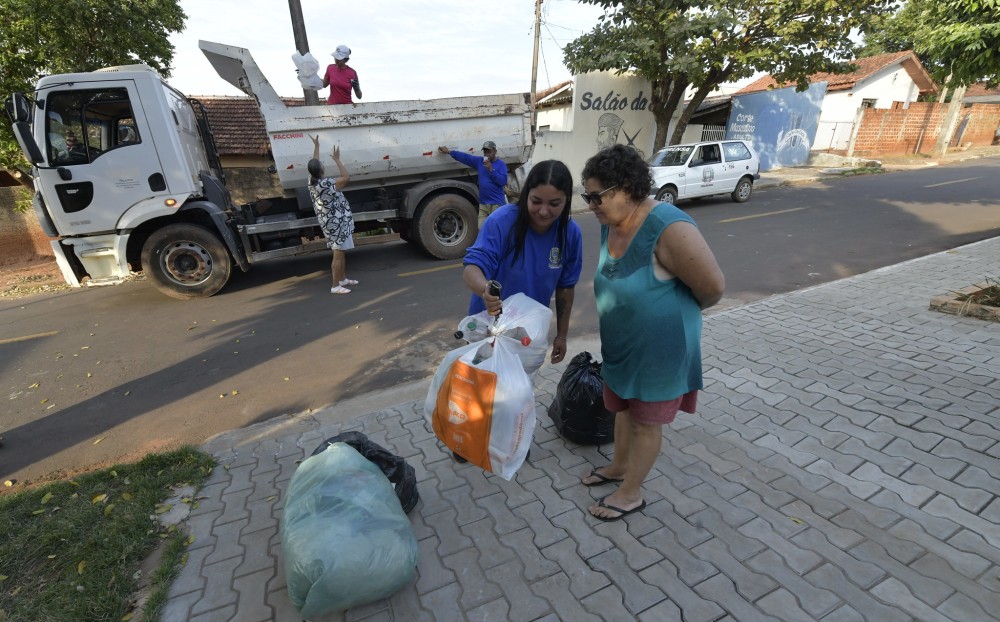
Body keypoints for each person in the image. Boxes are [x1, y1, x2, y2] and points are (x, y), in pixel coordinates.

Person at [579, 144, 725, 521]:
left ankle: (630, 494)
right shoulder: (611, 222)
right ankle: (618, 467)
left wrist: (667, 315)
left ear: (626, 189)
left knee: (646, 422)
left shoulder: (669, 226)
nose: (591, 205)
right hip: (623, 348)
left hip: (661, 350)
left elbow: (712, 288)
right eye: (587, 196)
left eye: (596, 196)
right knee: (623, 409)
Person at [451, 160, 584, 464]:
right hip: (487, 326)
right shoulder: (502, 221)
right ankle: (467, 439)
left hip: (527, 334)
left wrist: (562, 335)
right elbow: (472, 267)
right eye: (536, 201)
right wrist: (485, 289)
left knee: (516, 390)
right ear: (525, 195)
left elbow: (566, 287)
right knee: (479, 385)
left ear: (566, 201)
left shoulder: (570, 234)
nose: (544, 211)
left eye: (555, 204)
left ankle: (510, 439)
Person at [307, 135, 358, 294]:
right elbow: (346, 177)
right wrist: (337, 159)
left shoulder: (311, 181)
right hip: (336, 224)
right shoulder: (325, 183)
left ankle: (342, 279)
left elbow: (314, 162)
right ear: (321, 169)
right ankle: (335, 286)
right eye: (322, 164)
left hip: (333, 222)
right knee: (338, 254)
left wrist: (317, 147)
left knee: (341, 252)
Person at [438, 141, 508, 227]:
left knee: (496, 229)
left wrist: (491, 169)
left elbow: (503, 181)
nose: (487, 154)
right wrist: (449, 152)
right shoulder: (480, 161)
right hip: (483, 204)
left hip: (496, 204)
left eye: (489, 152)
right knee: (482, 229)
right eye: (485, 152)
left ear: (495, 151)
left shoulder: (501, 164)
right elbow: (466, 158)